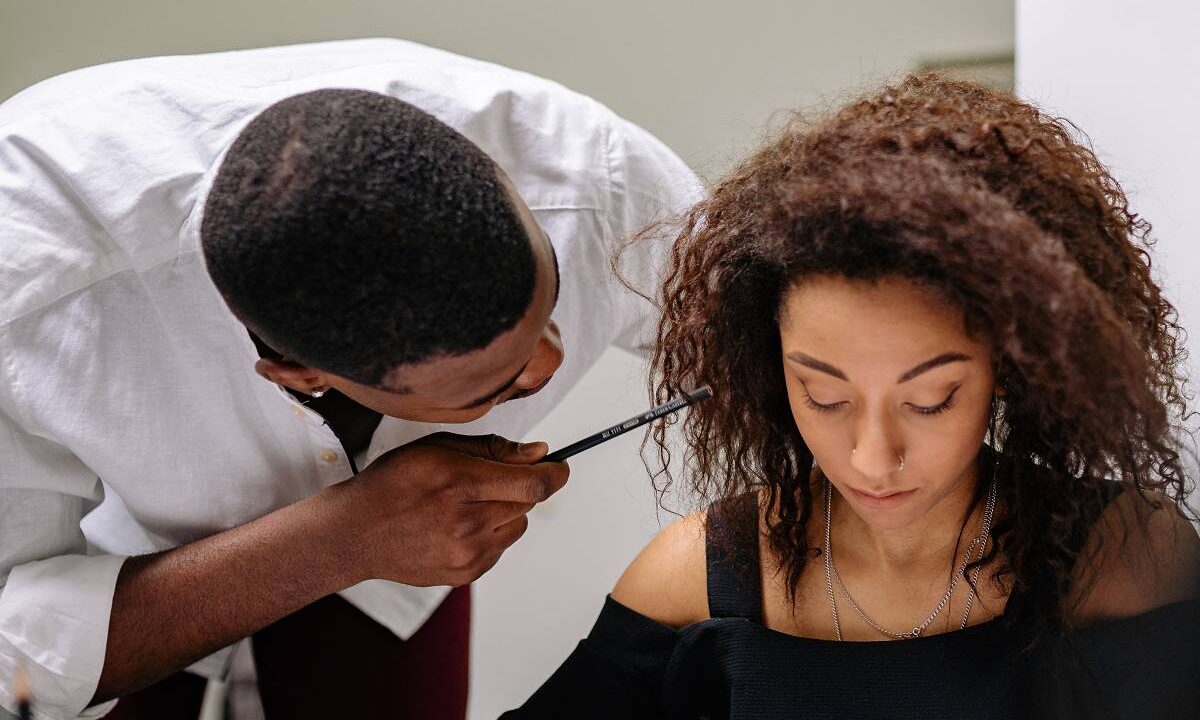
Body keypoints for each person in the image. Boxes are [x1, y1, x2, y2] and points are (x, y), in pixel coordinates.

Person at [0, 39, 701, 719]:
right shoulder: (28, 296)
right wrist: (347, 538)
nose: (549, 365)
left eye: (548, 309)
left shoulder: (595, 177)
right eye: (491, 387)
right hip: (118, 565)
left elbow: (754, 337)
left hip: (402, 583)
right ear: (299, 374)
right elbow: (13, 663)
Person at [504, 73, 1200, 719]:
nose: (871, 458)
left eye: (930, 400)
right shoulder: (694, 581)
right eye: (823, 396)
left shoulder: (1120, 560)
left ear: (1014, 366)